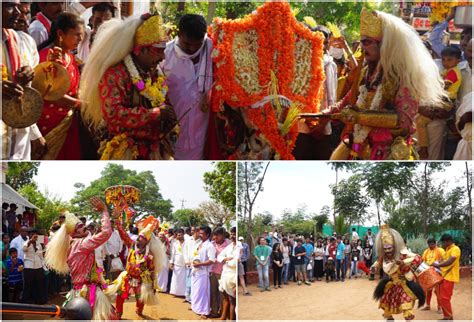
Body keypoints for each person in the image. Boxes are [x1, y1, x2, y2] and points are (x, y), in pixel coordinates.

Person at [327, 8, 446, 160]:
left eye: (367, 42)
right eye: (362, 41)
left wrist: (359, 117)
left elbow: (403, 121)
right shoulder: (367, 72)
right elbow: (350, 99)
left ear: (384, 44)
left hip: (390, 153)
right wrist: (326, 113)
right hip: (360, 148)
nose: (362, 47)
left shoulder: (403, 76)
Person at [80, 14, 178, 160]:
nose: (163, 57)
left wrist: (169, 118)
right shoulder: (114, 74)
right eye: (158, 51)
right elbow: (113, 114)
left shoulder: (155, 73)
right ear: (141, 49)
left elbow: (163, 102)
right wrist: (155, 114)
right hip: (125, 152)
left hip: (156, 150)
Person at [44, 198, 115, 320]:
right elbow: (106, 233)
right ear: (74, 233)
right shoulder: (82, 244)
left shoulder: (71, 245)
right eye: (81, 226)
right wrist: (104, 211)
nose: (85, 227)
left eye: (83, 225)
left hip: (77, 293)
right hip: (88, 294)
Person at [163, 14, 213, 160]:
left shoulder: (213, 50)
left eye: (197, 44)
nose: (192, 49)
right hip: (174, 129)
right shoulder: (165, 54)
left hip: (202, 130)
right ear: (179, 34)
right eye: (187, 44)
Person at [36, 13, 84, 160]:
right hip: (49, 122)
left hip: (68, 122)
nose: (80, 39)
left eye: (82, 35)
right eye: (76, 35)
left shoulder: (70, 57)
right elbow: (53, 95)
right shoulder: (46, 57)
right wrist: (81, 105)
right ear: (60, 34)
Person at [107, 217, 166, 319]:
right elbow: (124, 235)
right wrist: (118, 222)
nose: (139, 238)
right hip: (127, 277)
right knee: (120, 296)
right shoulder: (131, 245)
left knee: (140, 299)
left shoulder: (150, 255)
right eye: (139, 236)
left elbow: (152, 271)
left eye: (142, 237)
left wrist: (153, 286)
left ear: (147, 241)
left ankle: (139, 311)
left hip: (141, 280)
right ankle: (118, 313)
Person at [416, 45, 462, 160]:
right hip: (439, 102)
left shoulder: (453, 72)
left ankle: (423, 148)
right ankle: (423, 148)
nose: (446, 62)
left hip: (444, 102)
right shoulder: (448, 70)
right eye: (444, 59)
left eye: (449, 60)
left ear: (458, 60)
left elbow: (443, 86)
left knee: (421, 122)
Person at [372, 225, 425, 320]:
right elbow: (377, 264)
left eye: (390, 248)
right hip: (392, 284)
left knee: (406, 306)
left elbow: (418, 259)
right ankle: (390, 319)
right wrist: (374, 268)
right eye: (385, 249)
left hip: (404, 285)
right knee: (386, 302)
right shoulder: (383, 257)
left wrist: (403, 262)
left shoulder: (403, 254)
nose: (388, 251)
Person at [432, 234, 461, 320]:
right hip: (443, 276)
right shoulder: (447, 250)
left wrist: (438, 265)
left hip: (449, 277)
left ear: (448, 241)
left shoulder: (455, 249)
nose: (442, 245)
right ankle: (446, 317)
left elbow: (450, 261)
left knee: (445, 298)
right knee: (440, 297)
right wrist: (436, 263)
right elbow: (443, 260)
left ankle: (449, 317)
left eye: (443, 242)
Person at [191, 226, 216, 318]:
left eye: (202, 233)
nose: (200, 235)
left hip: (203, 273)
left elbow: (212, 260)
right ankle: (196, 308)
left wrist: (200, 264)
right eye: (199, 233)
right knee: (196, 292)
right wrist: (194, 262)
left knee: (203, 292)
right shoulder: (199, 244)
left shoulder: (210, 246)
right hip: (195, 271)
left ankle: (204, 311)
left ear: (208, 235)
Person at [454, 39, 472, 160]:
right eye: (470, 50)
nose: (472, 55)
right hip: (459, 130)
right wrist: (460, 121)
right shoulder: (456, 70)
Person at [217, 227, 238, 320]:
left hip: (233, 276)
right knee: (225, 298)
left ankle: (231, 319)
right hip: (225, 275)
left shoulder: (239, 248)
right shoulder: (229, 246)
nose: (233, 236)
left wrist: (227, 261)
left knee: (232, 300)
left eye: (235, 234)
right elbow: (219, 257)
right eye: (232, 234)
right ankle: (223, 317)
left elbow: (234, 263)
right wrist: (225, 259)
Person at [421, 237, 445, 313]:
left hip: (437, 273)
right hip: (428, 273)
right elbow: (423, 261)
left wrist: (438, 263)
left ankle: (439, 307)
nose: (430, 246)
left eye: (432, 244)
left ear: (435, 243)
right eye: (429, 244)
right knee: (428, 290)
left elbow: (445, 260)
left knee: (438, 291)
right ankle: (428, 305)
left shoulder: (440, 250)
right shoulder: (426, 251)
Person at [21, 228, 45, 304]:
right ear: (28, 235)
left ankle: (38, 301)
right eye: (31, 234)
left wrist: (43, 266)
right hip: (29, 267)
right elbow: (24, 249)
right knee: (28, 285)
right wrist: (30, 241)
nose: (34, 235)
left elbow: (41, 256)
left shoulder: (39, 244)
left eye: (35, 234)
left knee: (39, 285)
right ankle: (26, 302)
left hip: (38, 267)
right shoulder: (25, 243)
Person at [210, 227, 229, 317]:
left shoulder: (228, 245)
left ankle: (222, 313)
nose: (215, 237)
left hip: (223, 273)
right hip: (212, 272)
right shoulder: (212, 244)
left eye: (217, 235)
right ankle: (214, 311)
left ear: (223, 235)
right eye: (214, 235)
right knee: (213, 293)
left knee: (222, 295)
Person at [183, 226, 200, 303]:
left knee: (193, 283)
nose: (195, 233)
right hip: (188, 264)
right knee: (187, 281)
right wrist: (187, 261)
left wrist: (194, 262)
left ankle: (192, 300)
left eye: (197, 231)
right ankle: (187, 297)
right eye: (194, 231)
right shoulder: (189, 240)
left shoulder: (201, 242)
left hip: (196, 266)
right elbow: (185, 251)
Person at [170, 228, 186, 297]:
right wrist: (171, 262)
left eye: (181, 235)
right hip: (176, 263)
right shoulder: (175, 243)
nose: (179, 236)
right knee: (175, 280)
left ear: (183, 235)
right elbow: (173, 253)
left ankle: (182, 293)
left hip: (184, 264)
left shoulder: (187, 242)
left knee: (183, 280)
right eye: (178, 235)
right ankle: (175, 292)